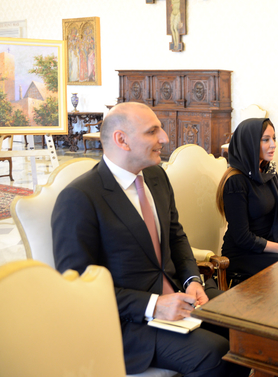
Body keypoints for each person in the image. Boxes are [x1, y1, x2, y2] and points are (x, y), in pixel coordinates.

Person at [52, 102, 249, 377]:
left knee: (250, 326)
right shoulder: (80, 198)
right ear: (122, 140)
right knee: (217, 353)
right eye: (152, 131)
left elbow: (176, 236)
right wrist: (154, 305)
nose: (165, 138)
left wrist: (192, 281)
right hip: (126, 324)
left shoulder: (156, 176)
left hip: (179, 296)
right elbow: (77, 286)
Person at [217, 118, 278, 278]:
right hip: (243, 255)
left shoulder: (267, 173)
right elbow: (243, 238)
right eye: (266, 140)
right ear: (249, 143)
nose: (273, 144)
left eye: (273, 138)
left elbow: (276, 217)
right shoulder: (235, 181)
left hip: (268, 248)